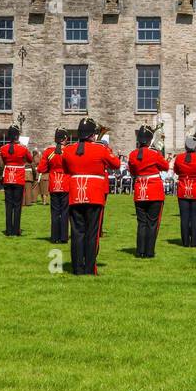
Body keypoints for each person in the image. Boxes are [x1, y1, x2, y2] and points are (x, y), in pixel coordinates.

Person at [61, 117, 121, 275]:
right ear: (91, 135)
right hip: (94, 194)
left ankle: (77, 268)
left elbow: (66, 169)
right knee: (92, 233)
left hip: (75, 193)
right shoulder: (100, 149)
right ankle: (89, 268)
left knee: (76, 232)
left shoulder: (68, 149)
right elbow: (116, 164)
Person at [128, 125, 169, 258]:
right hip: (154, 191)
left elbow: (133, 172)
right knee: (152, 223)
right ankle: (149, 252)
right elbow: (166, 166)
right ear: (150, 139)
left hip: (140, 190)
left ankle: (140, 251)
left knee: (142, 223)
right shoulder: (154, 153)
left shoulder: (133, 154)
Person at [173, 137, 196, 247]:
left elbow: (176, 171)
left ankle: (185, 242)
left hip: (183, 189)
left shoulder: (179, 158)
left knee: (184, 217)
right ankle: (193, 242)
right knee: (195, 218)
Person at [38, 129, 71, 244]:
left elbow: (41, 169)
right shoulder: (68, 151)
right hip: (66, 183)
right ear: (65, 139)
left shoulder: (49, 152)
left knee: (55, 212)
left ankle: (54, 237)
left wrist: (50, 168)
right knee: (65, 211)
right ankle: (63, 237)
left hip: (53, 183)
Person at [0, 126, 31, 236]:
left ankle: (8, 230)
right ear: (17, 136)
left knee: (8, 205)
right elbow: (30, 159)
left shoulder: (3, 148)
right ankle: (16, 230)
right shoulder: (23, 148)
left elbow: (3, 160)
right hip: (19, 178)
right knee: (17, 205)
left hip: (8, 177)